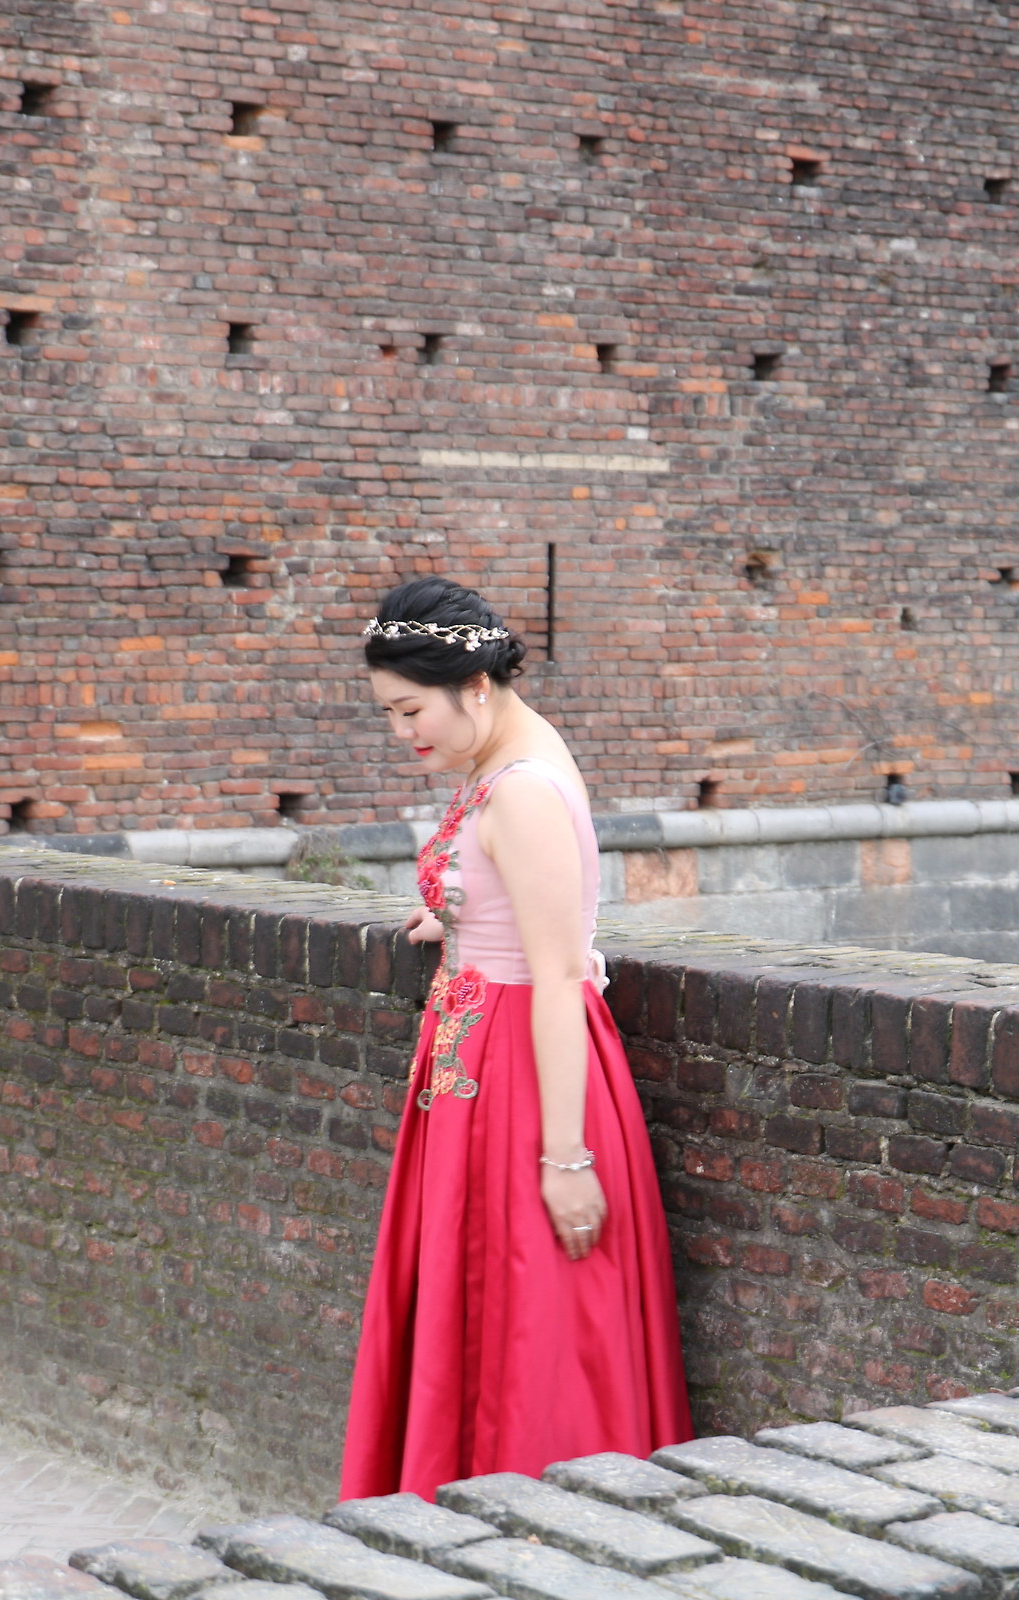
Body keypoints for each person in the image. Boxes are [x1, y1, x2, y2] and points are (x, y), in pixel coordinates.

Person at [340, 576, 692, 1499]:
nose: (403, 731)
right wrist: (456, 919)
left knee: (532, 1312)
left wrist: (566, 1158)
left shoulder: (524, 787)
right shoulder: (502, 760)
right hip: (478, 1061)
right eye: (390, 711)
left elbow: (562, 973)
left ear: (477, 687)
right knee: (484, 1303)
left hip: (525, 1079)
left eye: (411, 709)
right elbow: (519, 898)